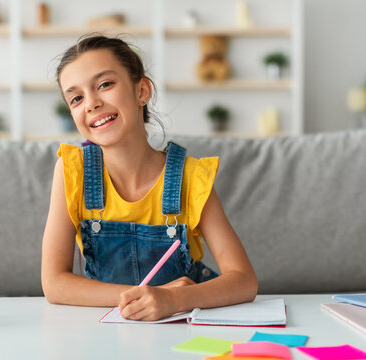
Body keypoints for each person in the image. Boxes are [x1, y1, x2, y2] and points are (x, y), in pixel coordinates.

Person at [41, 35, 257, 321]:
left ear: (142, 90)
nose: (91, 103)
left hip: (184, 330)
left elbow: (244, 280)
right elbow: (54, 284)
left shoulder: (191, 176)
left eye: (105, 84)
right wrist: (142, 298)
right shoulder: (71, 172)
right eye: (76, 98)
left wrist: (175, 298)